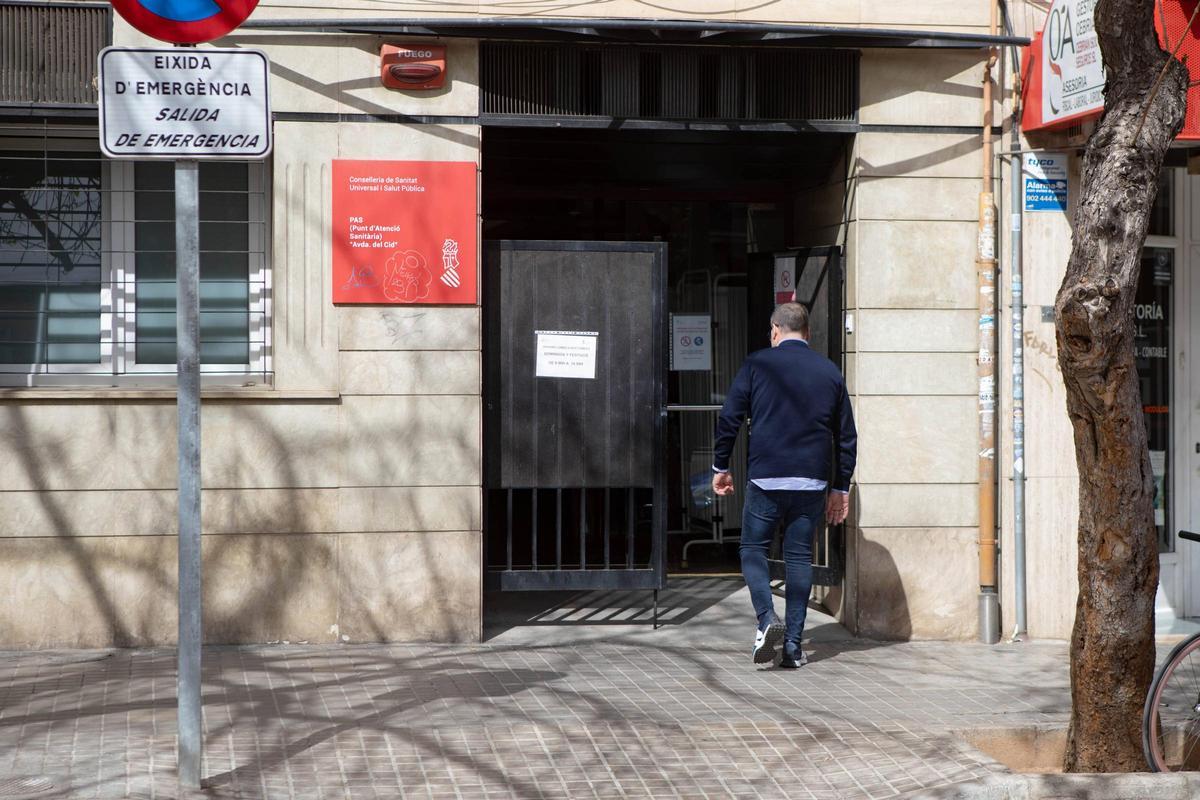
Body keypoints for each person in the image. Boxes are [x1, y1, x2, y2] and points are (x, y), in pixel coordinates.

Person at [712, 302, 856, 668]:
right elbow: (846, 436)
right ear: (807, 332)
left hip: (766, 477)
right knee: (799, 558)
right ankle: (793, 646)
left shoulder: (758, 364)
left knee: (752, 548)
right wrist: (840, 488)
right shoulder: (829, 372)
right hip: (811, 481)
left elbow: (730, 417)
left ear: (775, 330)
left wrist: (720, 466)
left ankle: (765, 619)